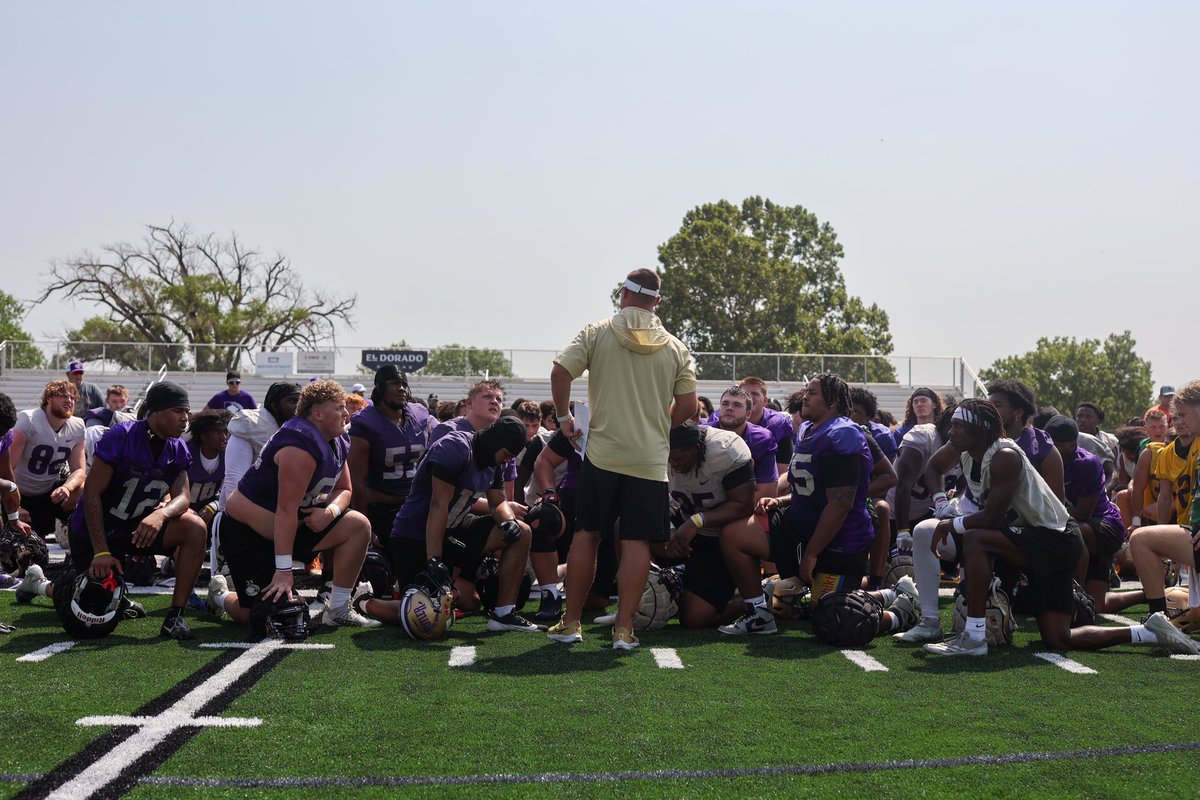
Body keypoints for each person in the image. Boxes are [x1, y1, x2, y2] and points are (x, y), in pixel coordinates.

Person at [917, 398, 1196, 657]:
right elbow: (933, 467)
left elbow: (990, 518)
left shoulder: (1004, 456)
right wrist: (941, 503)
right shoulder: (967, 447)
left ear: (978, 430)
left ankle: (974, 637)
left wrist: (950, 523)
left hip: (1054, 538)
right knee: (1059, 638)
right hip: (1037, 536)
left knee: (977, 538)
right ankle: (1147, 633)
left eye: (958, 426)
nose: (951, 432)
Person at [547, 268, 697, 650]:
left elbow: (561, 370)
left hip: (602, 454)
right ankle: (624, 629)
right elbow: (688, 407)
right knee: (636, 543)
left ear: (623, 295)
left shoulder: (597, 331)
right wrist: (657, 425)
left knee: (587, 534)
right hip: (648, 459)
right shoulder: (676, 347)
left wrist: (564, 418)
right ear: (656, 303)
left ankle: (571, 623)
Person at [17, 382, 209, 640]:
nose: (185, 418)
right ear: (155, 412)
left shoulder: (178, 447)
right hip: (94, 531)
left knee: (194, 526)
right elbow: (92, 494)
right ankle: (40, 584)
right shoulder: (123, 436)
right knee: (87, 606)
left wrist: (161, 514)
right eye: (178, 411)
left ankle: (175, 616)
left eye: (186, 411)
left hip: (135, 529)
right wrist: (102, 551)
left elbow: (183, 498)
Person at [720, 374, 876, 637]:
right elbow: (809, 490)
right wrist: (779, 500)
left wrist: (812, 553)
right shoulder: (807, 428)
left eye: (813, 393)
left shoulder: (843, 433)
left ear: (833, 401)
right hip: (798, 523)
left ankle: (893, 603)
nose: (805, 396)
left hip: (838, 539)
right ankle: (758, 613)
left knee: (833, 618)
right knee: (734, 535)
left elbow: (840, 504)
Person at [215, 380, 378, 630]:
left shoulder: (337, 438)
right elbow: (285, 510)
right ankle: (220, 595)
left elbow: (344, 489)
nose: (346, 413)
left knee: (358, 525)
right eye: (338, 407)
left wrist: (329, 512)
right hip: (248, 535)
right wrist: (284, 571)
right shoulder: (299, 445)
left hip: (291, 527)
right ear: (317, 413)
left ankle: (338, 607)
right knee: (264, 616)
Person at [384, 416, 542, 632]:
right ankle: (366, 602)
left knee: (521, 532)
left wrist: (508, 521)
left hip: (455, 529)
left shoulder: (491, 459)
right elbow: (438, 506)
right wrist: (434, 559)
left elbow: (497, 503)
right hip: (416, 534)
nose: (506, 462)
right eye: (506, 455)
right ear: (494, 443)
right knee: (427, 616)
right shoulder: (454, 448)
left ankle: (504, 614)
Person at [659, 422, 756, 629]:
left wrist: (698, 521)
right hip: (683, 518)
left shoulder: (725, 449)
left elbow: (744, 505)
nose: (674, 464)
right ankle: (634, 598)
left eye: (679, 458)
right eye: (670, 458)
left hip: (718, 537)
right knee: (625, 527)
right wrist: (670, 531)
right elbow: (648, 498)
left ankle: (751, 592)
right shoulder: (658, 447)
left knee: (695, 619)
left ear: (696, 448)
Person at [1044, 415, 1140, 613]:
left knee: (1070, 531)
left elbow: (1082, 512)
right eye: (1047, 443)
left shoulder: (1086, 463)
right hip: (1080, 533)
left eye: (1056, 445)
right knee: (1098, 605)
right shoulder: (1041, 459)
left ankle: (1072, 596)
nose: (1050, 449)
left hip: (1103, 526)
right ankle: (1149, 594)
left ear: (1071, 445)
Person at [347, 366, 433, 555]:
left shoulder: (420, 414)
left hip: (415, 505)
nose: (401, 388)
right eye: (394, 383)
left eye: (404, 384)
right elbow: (357, 481)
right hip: (380, 508)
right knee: (379, 570)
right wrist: (364, 525)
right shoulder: (365, 423)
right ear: (379, 388)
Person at [8, 381, 86, 539]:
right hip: (18, 493)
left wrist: (67, 488)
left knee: (83, 487)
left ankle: (65, 526)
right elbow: (7, 468)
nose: (69, 400)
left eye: (72, 397)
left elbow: (79, 471)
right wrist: (16, 507)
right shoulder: (28, 420)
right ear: (48, 398)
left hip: (49, 494)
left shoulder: (77, 426)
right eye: (63, 396)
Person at [219, 381, 301, 508]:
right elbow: (234, 482)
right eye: (292, 401)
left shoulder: (298, 430)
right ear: (274, 405)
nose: (297, 407)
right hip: (242, 511)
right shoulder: (249, 426)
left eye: (300, 402)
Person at [986, 379, 1064, 500]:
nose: (989, 409)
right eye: (988, 405)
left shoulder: (1043, 449)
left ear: (1018, 412)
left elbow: (1055, 505)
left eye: (997, 405)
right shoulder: (980, 439)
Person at [713, 385, 779, 499]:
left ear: (748, 414)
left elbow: (767, 492)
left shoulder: (761, 439)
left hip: (745, 508)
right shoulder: (703, 433)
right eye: (725, 404)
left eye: (737, 405)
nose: (729, 408)